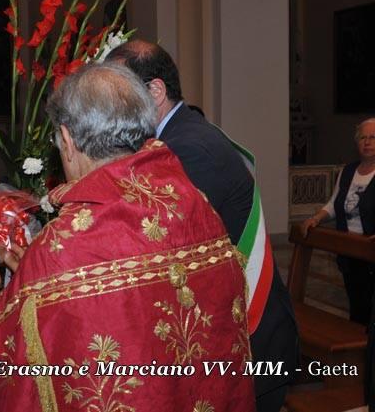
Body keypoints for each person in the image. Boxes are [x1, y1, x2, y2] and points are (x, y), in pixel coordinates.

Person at [0, 63, 255, 411]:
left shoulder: (63, 247)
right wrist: (34, 285)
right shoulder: (194, 204)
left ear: (68, 139)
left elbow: (11, 371)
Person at [107, 40, 298, 412]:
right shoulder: (180, 133)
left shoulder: (188, 149)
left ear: (155, 91)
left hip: (253, 345)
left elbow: (159, 245)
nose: (115, 109)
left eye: (121, 95)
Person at [302, 118, 375, 324]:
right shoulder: (348, 171)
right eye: (363, 138)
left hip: (371, 250)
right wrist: (316, 218)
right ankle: (356, 349)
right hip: (349, 250)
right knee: (357, 307)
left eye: (372, 138)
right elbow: (334, 204)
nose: (367, 142)